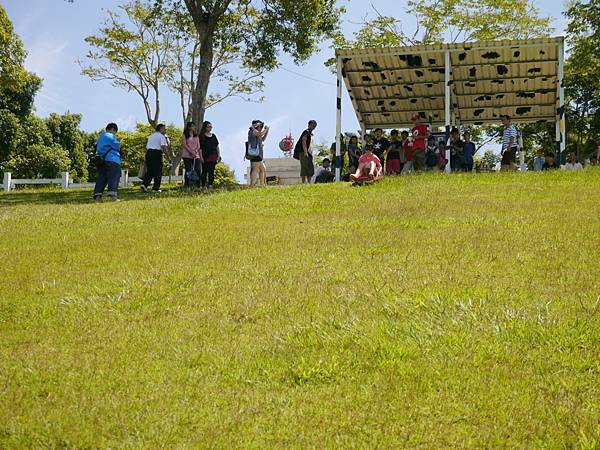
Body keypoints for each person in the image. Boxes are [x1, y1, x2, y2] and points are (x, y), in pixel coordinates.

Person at [93, 123, 122, 202]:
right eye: (115, 132)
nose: (115, 133)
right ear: (113, 129)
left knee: (101, 179)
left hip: (102, 161)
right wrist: (119, 142)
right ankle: (113, 197)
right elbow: (117, 146)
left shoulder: (100, 137)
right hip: (112, 159)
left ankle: (98, 197)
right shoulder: (110, 136)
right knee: (113, 178)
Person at [142, 123, 170, 193]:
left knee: (150, 171)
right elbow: (164, 147)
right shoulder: (161, 136)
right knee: (158, 171)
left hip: (149, 153)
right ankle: (156, 188)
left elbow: (147, 147)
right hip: (156, 153)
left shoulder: (151, 136)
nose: (165, 130)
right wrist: (168, 157)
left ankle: (144, 184)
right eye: (164, 129)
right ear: (160, 129)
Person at [246, 119, 269, 187]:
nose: (261, 127)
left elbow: (263, 139)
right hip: (255, 153)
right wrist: (266, 129)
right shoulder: (252, 131)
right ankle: (252, 185)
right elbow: (261, 134)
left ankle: (262, 185)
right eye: (260, 126)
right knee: (255, 169)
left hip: (258, 154)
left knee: (263, 169)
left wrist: (267, 131)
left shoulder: (256, 132)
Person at [200, 121, 220, 192]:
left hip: (213, 156)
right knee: (204, 171)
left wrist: (219, 155)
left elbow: (217, 146)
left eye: (211, 126)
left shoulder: (213, 136)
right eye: (209, 126)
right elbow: (200, 148)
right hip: (205, 156)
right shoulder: (201, 136)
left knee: (212, 171)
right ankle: (203, 186)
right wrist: (201, 157)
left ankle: (211, 186)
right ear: (205, 127)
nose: (210, 128)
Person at [181, 121, 202, 190]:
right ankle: (187, 186)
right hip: (187, 155)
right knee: (188, 170)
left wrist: (195, 151)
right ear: (189, 127)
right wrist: (191, 152)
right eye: (192, 126)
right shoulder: (185, 135)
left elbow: (198, 145)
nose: (194, 127)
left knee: (198, 170)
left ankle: (198, 186)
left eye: (194, 126)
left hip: (196, 155)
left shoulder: (196, 135)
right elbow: (184, 144)